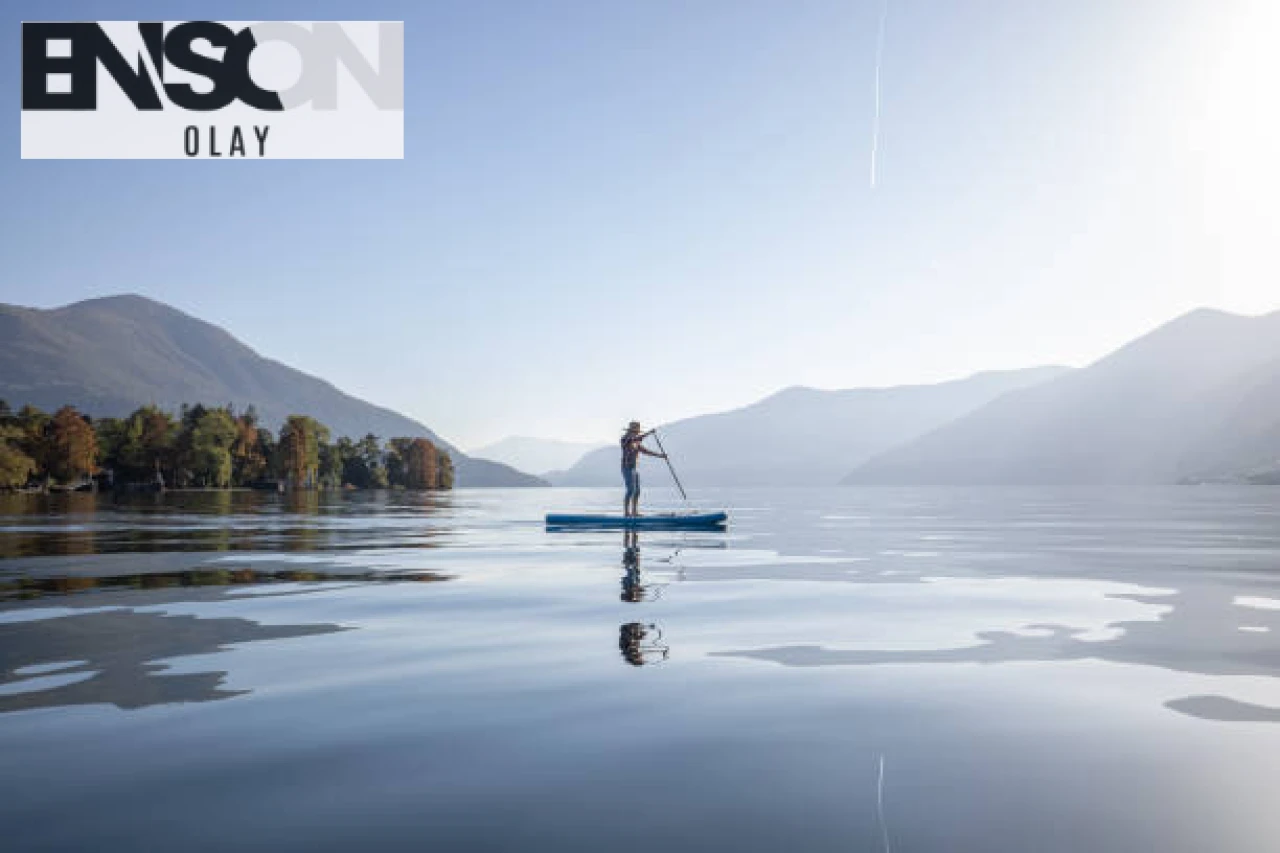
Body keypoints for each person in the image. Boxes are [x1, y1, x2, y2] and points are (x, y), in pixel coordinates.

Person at [620, 421, 666, 517]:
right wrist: (649, 433)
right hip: (626, 468)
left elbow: (646, 451)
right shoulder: (625, 439)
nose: (637, 433)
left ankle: (634, 512)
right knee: (630, 490)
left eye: (637, 432)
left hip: (634, 469)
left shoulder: (636, 442)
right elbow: (636, 438)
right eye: (636, 431)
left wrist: (660, 455)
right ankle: (626, 513)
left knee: (637, 491)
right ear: (631, 431)